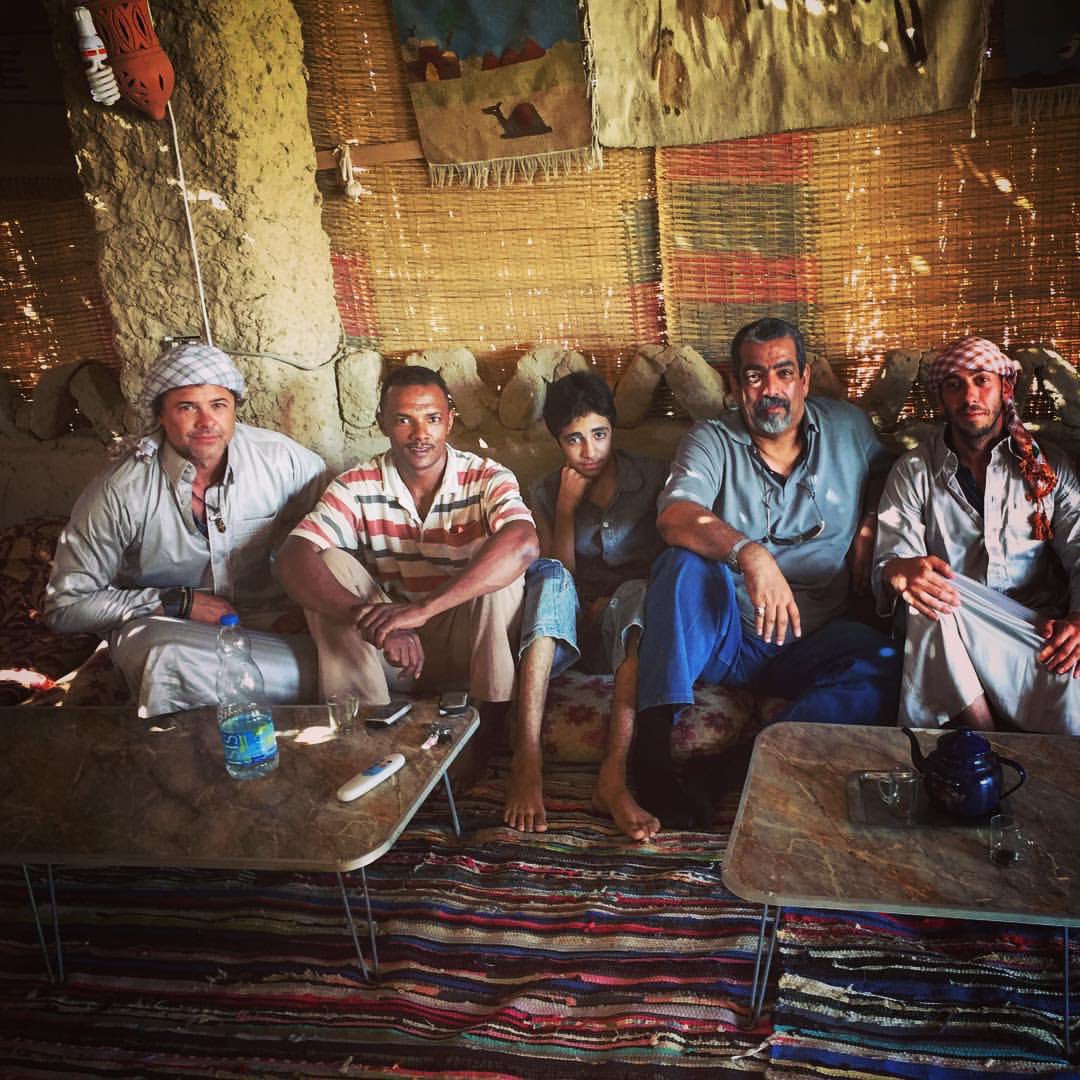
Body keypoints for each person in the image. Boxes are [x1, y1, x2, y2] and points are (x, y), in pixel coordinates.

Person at [635, 316, 902, 826]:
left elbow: (894, 469)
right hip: (727, 636)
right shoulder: (710, 439)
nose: (771, 390)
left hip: (812, 638)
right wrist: (749, 553)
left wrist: (870, 516)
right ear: (736, 385)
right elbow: (675, 515)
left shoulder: (848, 429)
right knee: (680, 563)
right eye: (755, 376)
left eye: (784, 373)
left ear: (804, 378)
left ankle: (734, 768)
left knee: (888, 659)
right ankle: (651, 756)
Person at [44, 341, 327, 717]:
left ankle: (285, 682)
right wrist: (179, 602)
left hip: (271, 623)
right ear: (161, 415)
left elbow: (339, 537)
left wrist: (310, 607)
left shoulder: (283, 461)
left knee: (361, 653)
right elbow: (65, 607)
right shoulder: (121, 490)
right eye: (187, 407)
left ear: (234, 410)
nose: (206, 421)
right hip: (175, 631)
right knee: (163, 657)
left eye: (218, 405)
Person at [277, 366, 539, 736]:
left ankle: (488, 726)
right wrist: (370, 619)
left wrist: (424, 609)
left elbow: (524, 544)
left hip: (466, 647)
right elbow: (292, 557)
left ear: (450, 420)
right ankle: (363, 728)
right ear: (381, 423)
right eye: (403, 420)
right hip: (389, 651)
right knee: (328, 562)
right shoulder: (355, 485)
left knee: (502, 570)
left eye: (432, 418)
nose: (420, 434)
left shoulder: (486, 478)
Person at [873, 335, 1080, 731]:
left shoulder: (1047, 466)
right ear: (942, 399)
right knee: (926, 594)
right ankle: (985, 742)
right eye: (954, 385)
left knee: (1070, 695)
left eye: (981, 380)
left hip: (1031, 628)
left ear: (1005, 389)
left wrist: (1079, 618)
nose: (969, 396)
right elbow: (893, 559)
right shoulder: (914, 471)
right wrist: (900, 568)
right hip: (952, 631)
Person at [503, 372, 669, 840]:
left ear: (613, 429)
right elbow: (560, 577)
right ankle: (527, 759)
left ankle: (612, 776)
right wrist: (565, 510)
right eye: (573, 439)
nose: (589, 450)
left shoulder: (653, 478)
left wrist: (610, 602)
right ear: (558, 441)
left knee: (639, 591)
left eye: (599, 434)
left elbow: (667, 563)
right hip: (567, 630)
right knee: (549, 576)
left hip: (629, 628)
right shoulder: (543, 491)